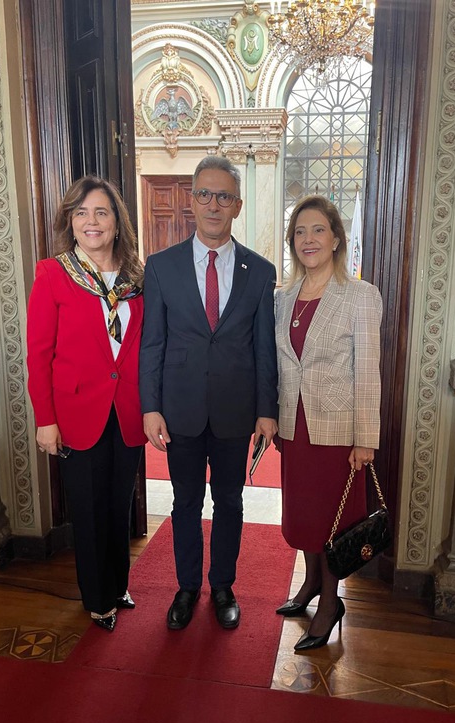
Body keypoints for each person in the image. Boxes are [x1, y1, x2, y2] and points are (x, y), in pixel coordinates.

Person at [140, 156, 278, 631]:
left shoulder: (260, 272)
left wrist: (267, 411)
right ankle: (185, 587)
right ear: (191, 200)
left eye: (223, 196)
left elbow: (263, 348)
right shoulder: (160, 268)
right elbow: (152, 342)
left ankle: (222, 586)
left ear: (237, 205)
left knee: (230, 503)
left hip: (236, 412)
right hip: (178, 409)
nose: (213, 204)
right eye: (204, 194)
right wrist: (150, 407)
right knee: (183, 504)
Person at [26, 176, 146, 632]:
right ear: (70, 223)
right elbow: (38, 355)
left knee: (120, 504)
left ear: (117, 222)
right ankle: (97, 598)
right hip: (76, 413)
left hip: (127, 410)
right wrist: (45, 420)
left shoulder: (138, 277)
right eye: (81, 213)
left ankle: (118, 585)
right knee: (89, 508)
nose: (91, 222)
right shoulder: (53, 274)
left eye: (101, 212)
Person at [274, 195, 382, 651]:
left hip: (339, 434)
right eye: (300, 232)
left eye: (318, 230)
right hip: (294, 428)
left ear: (336, 238)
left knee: (332, 522)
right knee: (304, 516)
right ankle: (310, 584)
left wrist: (366, 439)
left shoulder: (359, 294)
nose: (308, 239)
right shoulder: (283, 298)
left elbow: (368, 369)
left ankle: (330, 604)